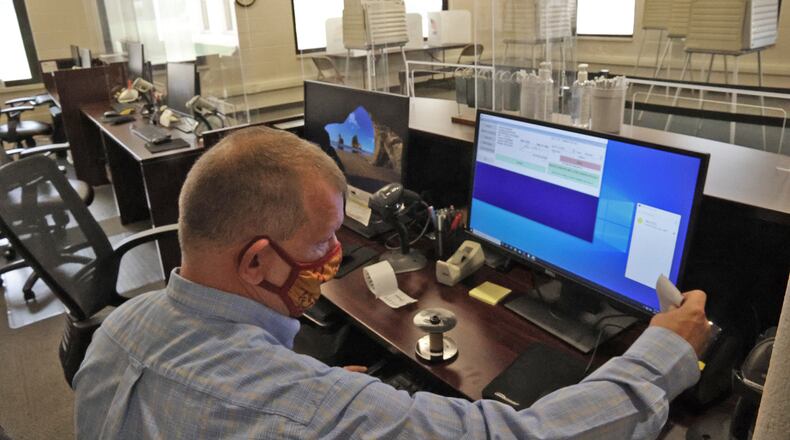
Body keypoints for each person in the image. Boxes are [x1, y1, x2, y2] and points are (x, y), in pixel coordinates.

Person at [74, 127, 711, 439]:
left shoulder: (114, 336)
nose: (334, 256)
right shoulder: (306, 410)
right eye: (325, 242)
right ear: (257, 263)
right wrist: (666, 349)